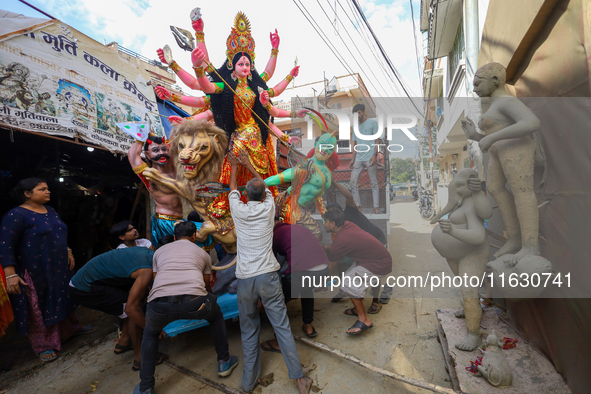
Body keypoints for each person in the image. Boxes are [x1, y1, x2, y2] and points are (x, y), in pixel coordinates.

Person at [228, 153, 312, 393]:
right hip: (268, 277)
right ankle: (299, 378)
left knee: (249, 329)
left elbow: (233, 189)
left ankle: (248, 382)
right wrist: (248, 165)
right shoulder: (268, 208)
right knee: (282, 326)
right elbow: (266, 189)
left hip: (245, 280)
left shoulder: (238, 210)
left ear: (245, 196)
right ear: (263, 194)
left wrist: (234, 167)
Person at [134, 221, 238, 394]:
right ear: (194, 237)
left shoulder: (158, 252)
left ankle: (146, 387)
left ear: (175, 237)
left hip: (159, 305)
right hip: (195, 302)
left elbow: (156, 278)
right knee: (216, 315)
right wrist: (209, 300)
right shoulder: (201, 253)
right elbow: (205, 286)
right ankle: (224, 361)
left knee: (150, 334)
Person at [0, 178, 90, 362]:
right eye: (42, 189)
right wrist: (10, 274)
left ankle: (71, 330)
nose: (48, 191)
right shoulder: (15, 216)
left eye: (47, 188)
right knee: (37, 307)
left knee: (63, 297)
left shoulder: (50, 211)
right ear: (27, 194)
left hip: (58, 267)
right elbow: (5, 246)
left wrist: (68, 250)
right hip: (34, 270)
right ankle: (44, 345)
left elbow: (59, 233)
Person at [461, 62, 541, 266]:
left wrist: (490, 138)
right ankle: (515, 237)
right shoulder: (495, 104)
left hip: (516, 149)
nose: (474, 88)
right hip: (500, 152)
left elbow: (531, 123)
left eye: (478, 83)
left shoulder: (506, 101)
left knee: (522, 191)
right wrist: (477, 136)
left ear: (495, 81)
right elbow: (493, 135)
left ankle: (531, 246)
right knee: (496, 188)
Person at [69, 247, 159, 370]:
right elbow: (131, 309)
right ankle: (141, 358)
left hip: (84, 281)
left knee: (136, 298)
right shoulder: (147, 270)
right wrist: (154, 330)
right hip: (84, 287)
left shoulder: (148, 252)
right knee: (133, 308)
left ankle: (124, 342)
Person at [260, 220, 330, 353]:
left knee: (277, 302)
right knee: (307, 290)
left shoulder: (274, 235)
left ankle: (279, 342)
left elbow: (272, 263)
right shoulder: (298, 228)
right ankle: (308, 326)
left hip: (302, 274)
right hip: (323, 270)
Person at [323, 209, 392, 335]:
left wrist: (322, 283)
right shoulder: (347, 225)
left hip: (378, 264)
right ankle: (357, 308)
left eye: (325, 221)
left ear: (333, 224)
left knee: (348, 283)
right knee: (348, 280)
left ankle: (364, 320)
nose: (324, 224)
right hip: (374, 258)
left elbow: (331, 267)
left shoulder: (340, 241)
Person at [326, 181, 391, 307]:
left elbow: (349, 196)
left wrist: (334, 183)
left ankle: (375, 301)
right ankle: (343, 290)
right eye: (330, 214)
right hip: (361, 248)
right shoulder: (336, 227)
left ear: (341, 211)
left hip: (376, 241)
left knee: (374, 272)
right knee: (342, 263)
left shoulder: (350, 213)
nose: (332, 216)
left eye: (335, 212)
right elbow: (337, 252)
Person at [349, 103, 381, 214]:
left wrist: (374, 155)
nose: (357, 116)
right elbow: (356, 144)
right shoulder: (355, 127)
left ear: (363, 112)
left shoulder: (373, 123)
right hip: (358, 158)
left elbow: (377, 140)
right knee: (353, 182)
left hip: (370, 157)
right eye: (355, 114)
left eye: (358, 113)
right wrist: (352, 159)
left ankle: (376, 207)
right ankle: (358, 206)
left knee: (374, 183)